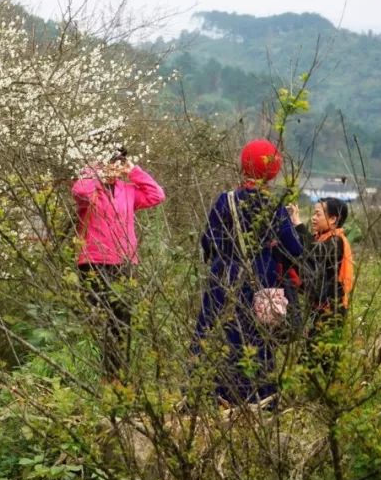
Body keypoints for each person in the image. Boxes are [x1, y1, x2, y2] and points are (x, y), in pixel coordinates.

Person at [193, 139, 303, 405]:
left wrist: (222, 257)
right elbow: (295, 250)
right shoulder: (273, 206)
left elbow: (208, 241)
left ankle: (211, 395)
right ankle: (258, 398)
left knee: (215, 331)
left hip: (223, 276)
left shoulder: (225, 200)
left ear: (244, 164)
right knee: (255, 337)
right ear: (273, 170)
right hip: (260, 279)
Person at [72, 148, 166, 380]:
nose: (115, 166)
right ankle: (93, 373)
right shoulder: (91, 187)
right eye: (111, 161)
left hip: (124, 262)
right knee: (100, 320)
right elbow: (79, 191)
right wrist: (97, 173)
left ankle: (116, 377)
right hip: (94, 262)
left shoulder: (128, 191)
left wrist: (133, 171)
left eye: (118, 162)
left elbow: (157, 195)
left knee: (122, 323)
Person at [287, 197, 354, 378]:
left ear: (333, 219)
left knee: (310, 362)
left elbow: (312, 252)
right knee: (326, 364)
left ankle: (309, 398)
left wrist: (298, 224)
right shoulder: (323, 238)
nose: (313, 218)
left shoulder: (336, 242)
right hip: (322, 310)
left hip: (332, 312)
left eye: (318, 214)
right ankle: (331, 397)